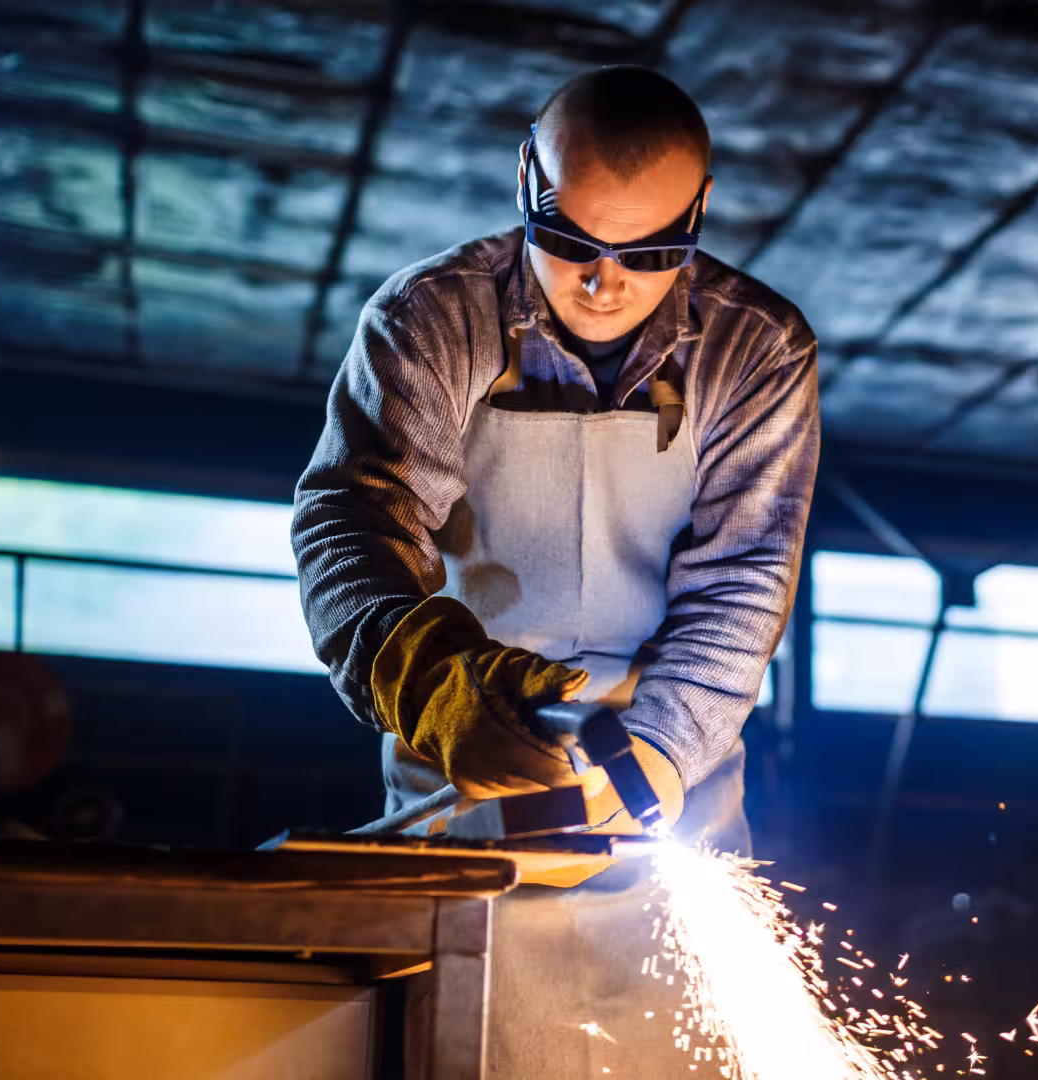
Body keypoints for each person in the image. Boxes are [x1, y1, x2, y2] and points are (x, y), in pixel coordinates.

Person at [291, 65, 819, 1076]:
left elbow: (743, 582)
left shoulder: (758, 351)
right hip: (467, 764)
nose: (602, 281)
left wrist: (658, 754)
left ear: (701, 213)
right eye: (570, 240)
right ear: (526, 177)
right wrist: (432, 686)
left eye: (651, 251)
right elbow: (355, 522)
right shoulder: (428, 322)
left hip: (670, 786)